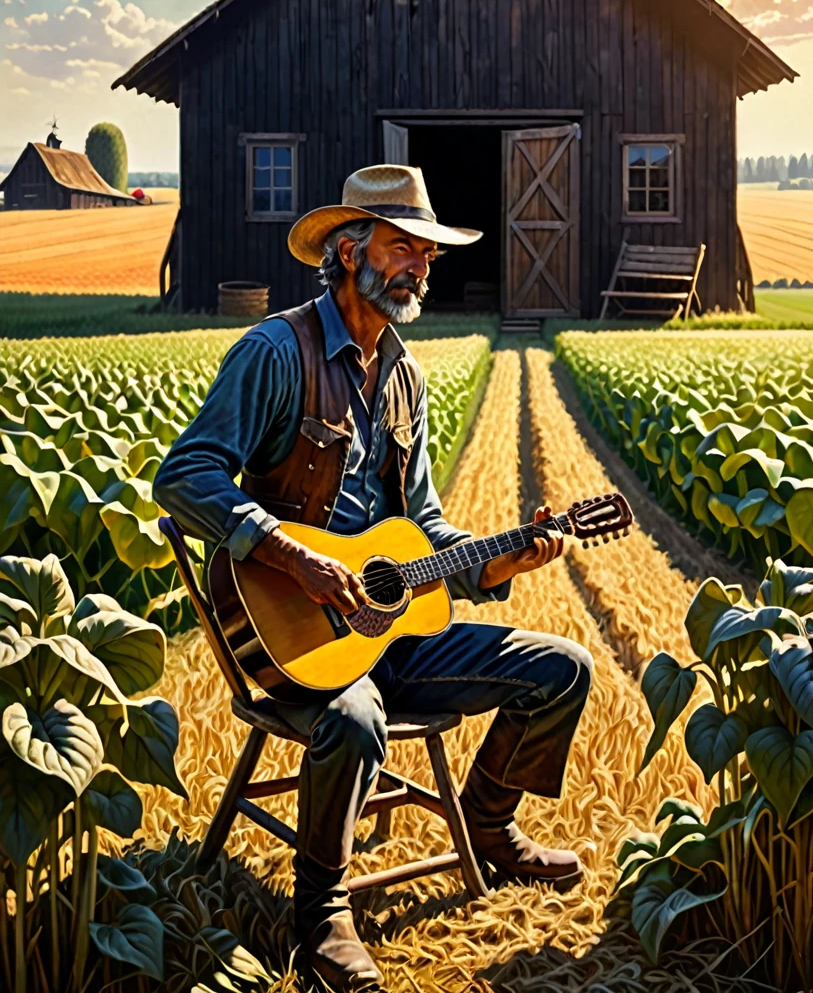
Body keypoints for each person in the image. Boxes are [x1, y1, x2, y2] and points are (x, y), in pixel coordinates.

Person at [153, 164, 593, 993]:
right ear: (349, 252)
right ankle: (320, 909)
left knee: (564, 669)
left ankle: (491, 824)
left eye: (426, 255)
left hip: (385, 636)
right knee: (354, 720)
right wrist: (292, 553)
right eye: (403, 249)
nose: (419, 267)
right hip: (297, 645)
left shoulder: (405, 377)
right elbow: (184, 476)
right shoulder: (274, 351)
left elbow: (424, 529)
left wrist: (501, 557)